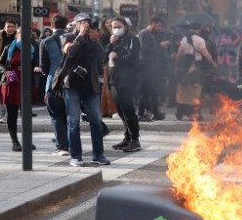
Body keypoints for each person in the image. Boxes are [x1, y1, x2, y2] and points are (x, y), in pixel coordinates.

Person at [57, 14, 108, 166]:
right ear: (76, 24)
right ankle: (76, 156)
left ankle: (98, 155)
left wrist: (95, 40)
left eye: (88, 23)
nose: (86, 25)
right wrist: (80, 36)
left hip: (90, 85)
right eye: (83, 23)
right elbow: (70, 52)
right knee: (73, 121)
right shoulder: (68, 37)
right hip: (71, 84)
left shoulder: (92, 40)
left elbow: (101, 58)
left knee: (96, 121)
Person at [106, 17, 142, 152]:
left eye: (118, 26)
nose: (116, 29)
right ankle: (127, 138)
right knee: (121, 112)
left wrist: (118, 58)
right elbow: (105, 57)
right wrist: (110, 44)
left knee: (128, 111)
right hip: (114, 79)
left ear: (125, 26)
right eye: (113, 27)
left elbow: (133, 58)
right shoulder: (114, 41)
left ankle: (135, 139)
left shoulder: (133, 40)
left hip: (127, 80)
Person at [0, 29, 36, 152]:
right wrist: (6, 71)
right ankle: (15, 141)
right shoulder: (10, 47)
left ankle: (27, 141)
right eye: (22, 34)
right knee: (12, 113)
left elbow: (36, 64)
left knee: (26, 114)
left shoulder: (32, 48)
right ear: (17, 35)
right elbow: (0, 63)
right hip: (12, 83)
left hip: (26, 83)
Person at [173, 22, 217, 120]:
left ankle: (180, 112)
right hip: (196, 68)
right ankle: (195, 114)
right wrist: (213, 63)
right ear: (198, 30)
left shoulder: (184, 39)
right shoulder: (200, 40)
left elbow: (179, 55)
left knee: (184, 90)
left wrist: (176, 66)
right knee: (196, 91)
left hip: (186, 68)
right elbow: (206, 54)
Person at [39, 16, 70, 154]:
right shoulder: (74, 39)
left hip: (53, 81)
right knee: (70, 114)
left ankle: (62, 146)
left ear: (52, 25)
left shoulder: (46, 41)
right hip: (72, 81)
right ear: (66, 25)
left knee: (56, 115)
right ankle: (72, 143)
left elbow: (44, 67)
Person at [138, 16, 169, 121]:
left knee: (154, 90)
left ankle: (155, 112)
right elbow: (144, 49)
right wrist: (160, 46)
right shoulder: (144, 33)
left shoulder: (154, 35)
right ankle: (141, 113)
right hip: (145, 66)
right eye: (159, 25)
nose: (160, 28)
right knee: (145, 90)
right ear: (152, 23)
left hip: (154, 66)